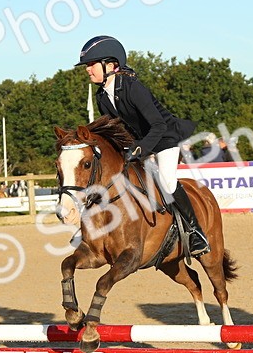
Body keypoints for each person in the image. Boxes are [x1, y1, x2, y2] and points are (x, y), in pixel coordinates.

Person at [75, 35, 210, 256]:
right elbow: (116, 131)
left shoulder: (132, 87)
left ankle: (195, 232)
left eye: (91, 64)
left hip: (164, 138)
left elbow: (157, 125)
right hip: (139, 144)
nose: (88, 70)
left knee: (166, 183)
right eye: (87, 66)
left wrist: (140, 149)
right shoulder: (102, 97)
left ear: (110, 65)